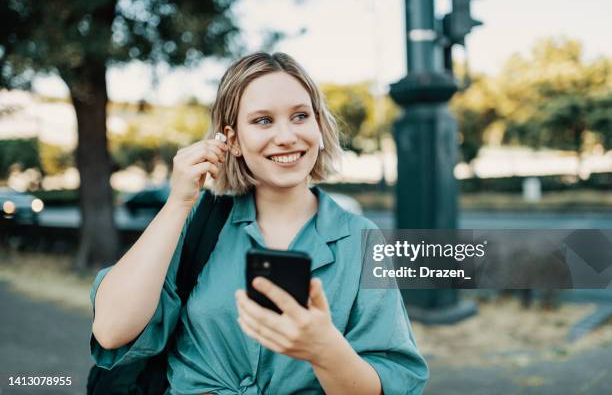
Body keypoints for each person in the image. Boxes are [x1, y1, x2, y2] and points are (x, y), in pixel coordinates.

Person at [90, 52, 428, 394]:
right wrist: (178, 202)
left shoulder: (361, 239)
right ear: (232, 140)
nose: (286, 136)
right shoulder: (196, 220)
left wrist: (324, 350)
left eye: (300, 116)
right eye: (263, 120)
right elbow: (112, 330)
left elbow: (391, 383)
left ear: (318, 126)